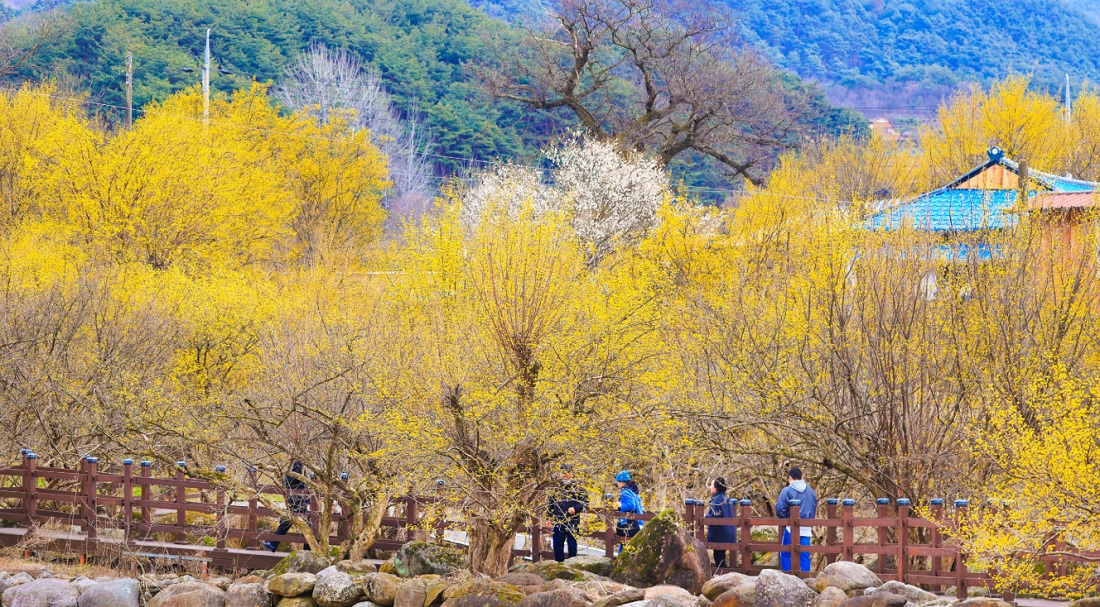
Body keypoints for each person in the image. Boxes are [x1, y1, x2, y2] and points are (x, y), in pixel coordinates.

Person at [263, 460, 311, 552]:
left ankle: (273, 544)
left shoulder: (298, 463)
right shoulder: (293, 464)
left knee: (295, 522)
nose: (285, 456)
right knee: (290, 521)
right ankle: (273, 544)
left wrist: (285, 477)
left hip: (299, 498)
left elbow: (294, 479)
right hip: (296, 497)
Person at [775, 466, 816, 572]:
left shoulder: (787, 491)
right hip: (806, 528)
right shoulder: (811, 491)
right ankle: (804, 580)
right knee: (804, 555)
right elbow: (813, 508)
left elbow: (780, 509)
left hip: (791, 528)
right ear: (802, 477)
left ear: (790, 478)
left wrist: (785, 521)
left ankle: (787, 578)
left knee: (785, 553)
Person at [547, 464, 588, 562]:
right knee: (557, 547)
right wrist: (548, 517)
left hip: (572, 521)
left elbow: (585, 503)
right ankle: (559, 566)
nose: (565, 475)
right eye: (563, 472)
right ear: (560, 474)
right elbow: (550, 504)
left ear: (572, 474)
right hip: (558, 521)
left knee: (572, 547)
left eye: (567, 472)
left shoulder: (578, 488)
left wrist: (575, 508)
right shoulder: (555, 488)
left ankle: (572, 567)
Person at [705, 477, 736, 568]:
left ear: (716, 487)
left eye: (711, 485)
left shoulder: (717, 500)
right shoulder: (726, 498)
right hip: (728, 533)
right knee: (721, 555)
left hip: (720, 534)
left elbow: (715, 516)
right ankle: (723, 574)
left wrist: (705, 517)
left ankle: (722, 575)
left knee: (718, 556)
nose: (710, 487)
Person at [614, 470, 643, 554]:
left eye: (618, 482)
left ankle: (620, 562)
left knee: (624, 542)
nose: (617, 484)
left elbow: (631, 506)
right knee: (624, 544)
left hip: (629, 524)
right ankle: (620, 560)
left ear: (622, 482)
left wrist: (620, 505)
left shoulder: (625, 492)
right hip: (637, 523)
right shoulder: (632, 492)